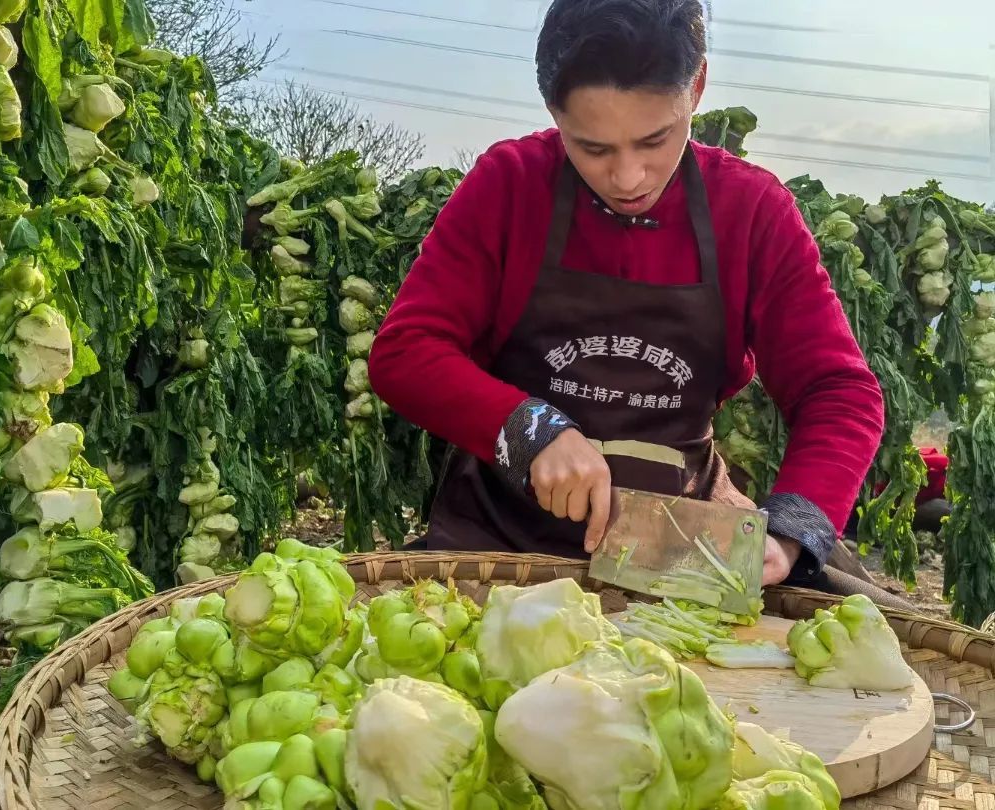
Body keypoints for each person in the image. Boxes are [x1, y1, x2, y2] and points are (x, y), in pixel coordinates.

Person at [368, 0, 913, 610]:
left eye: (655, 139)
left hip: (679, 551)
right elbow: (405, 352)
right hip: (498, 545)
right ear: (554, 110)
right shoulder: (511, 184)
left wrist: (791, 532)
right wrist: (530, 431)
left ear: (697, 87)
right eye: (593, 148)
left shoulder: (751, 211)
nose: (628, 177)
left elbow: (839, 390)